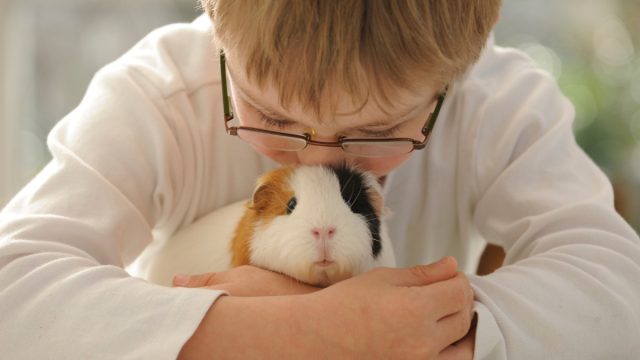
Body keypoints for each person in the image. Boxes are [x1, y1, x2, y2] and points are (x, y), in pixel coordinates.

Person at [1, 0, 639, 359]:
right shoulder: (157, 93)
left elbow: (620, 291)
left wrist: (422, 333)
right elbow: (14, 291)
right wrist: (296, 333)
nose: (320, 162)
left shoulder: (505, 105)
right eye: (272, 116)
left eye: (380, 130)